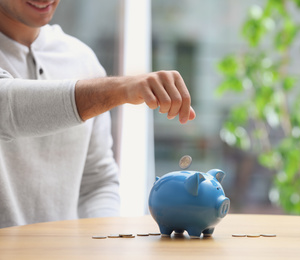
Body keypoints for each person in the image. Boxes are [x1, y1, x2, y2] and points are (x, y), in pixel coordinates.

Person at [0, 0, 196, 228]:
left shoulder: (82, 59)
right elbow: (8, 106)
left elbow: (97, 182)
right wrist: (119, 89)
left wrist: (104, 243)